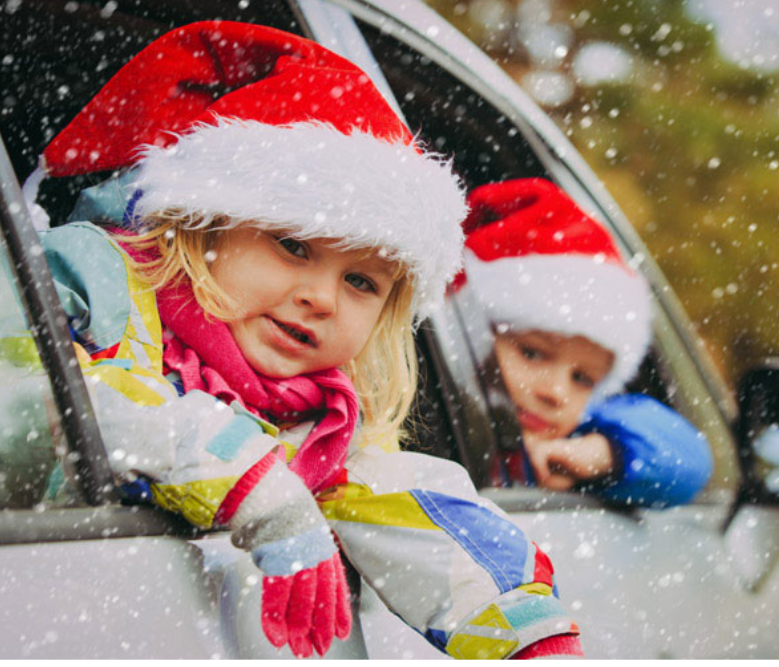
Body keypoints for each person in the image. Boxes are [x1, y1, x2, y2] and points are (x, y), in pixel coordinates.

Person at [22, 23, 581, 660]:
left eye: (362, 281)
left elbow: (408, 502)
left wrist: (530, 630)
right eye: (293, 245)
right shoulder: (91, 282)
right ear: (205, 227)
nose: (323, 297)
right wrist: (257, 487)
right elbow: (66, 398)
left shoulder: (314, 423)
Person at [460, 178, 713, 507]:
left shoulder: (575, 437)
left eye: (582, 379)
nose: (555, 393)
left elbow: (691, 460)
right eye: (533, 353)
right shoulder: (431, 423)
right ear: (471, 332)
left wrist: (602, 454)